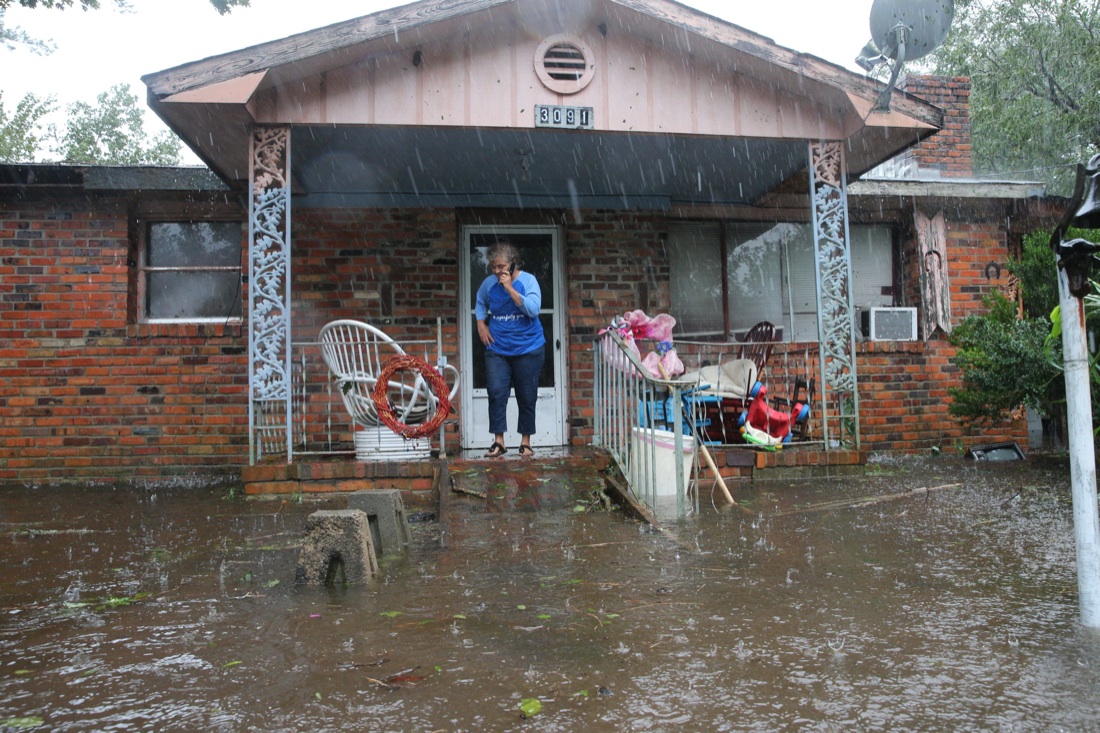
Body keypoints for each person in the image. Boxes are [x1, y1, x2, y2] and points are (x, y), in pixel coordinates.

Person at [475, 242, 546, 458]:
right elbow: (480, 302)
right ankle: (499, 441)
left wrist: (509, 288)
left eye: (501, 266)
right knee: (496, 392)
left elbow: (533, 310)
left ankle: (525, 442)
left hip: (529, 348)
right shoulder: (489, 284)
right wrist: (481, 324)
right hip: (498, 348)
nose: (497, 271)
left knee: (526, 395)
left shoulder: (528, 281)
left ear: (513, 263)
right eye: (494, 267)